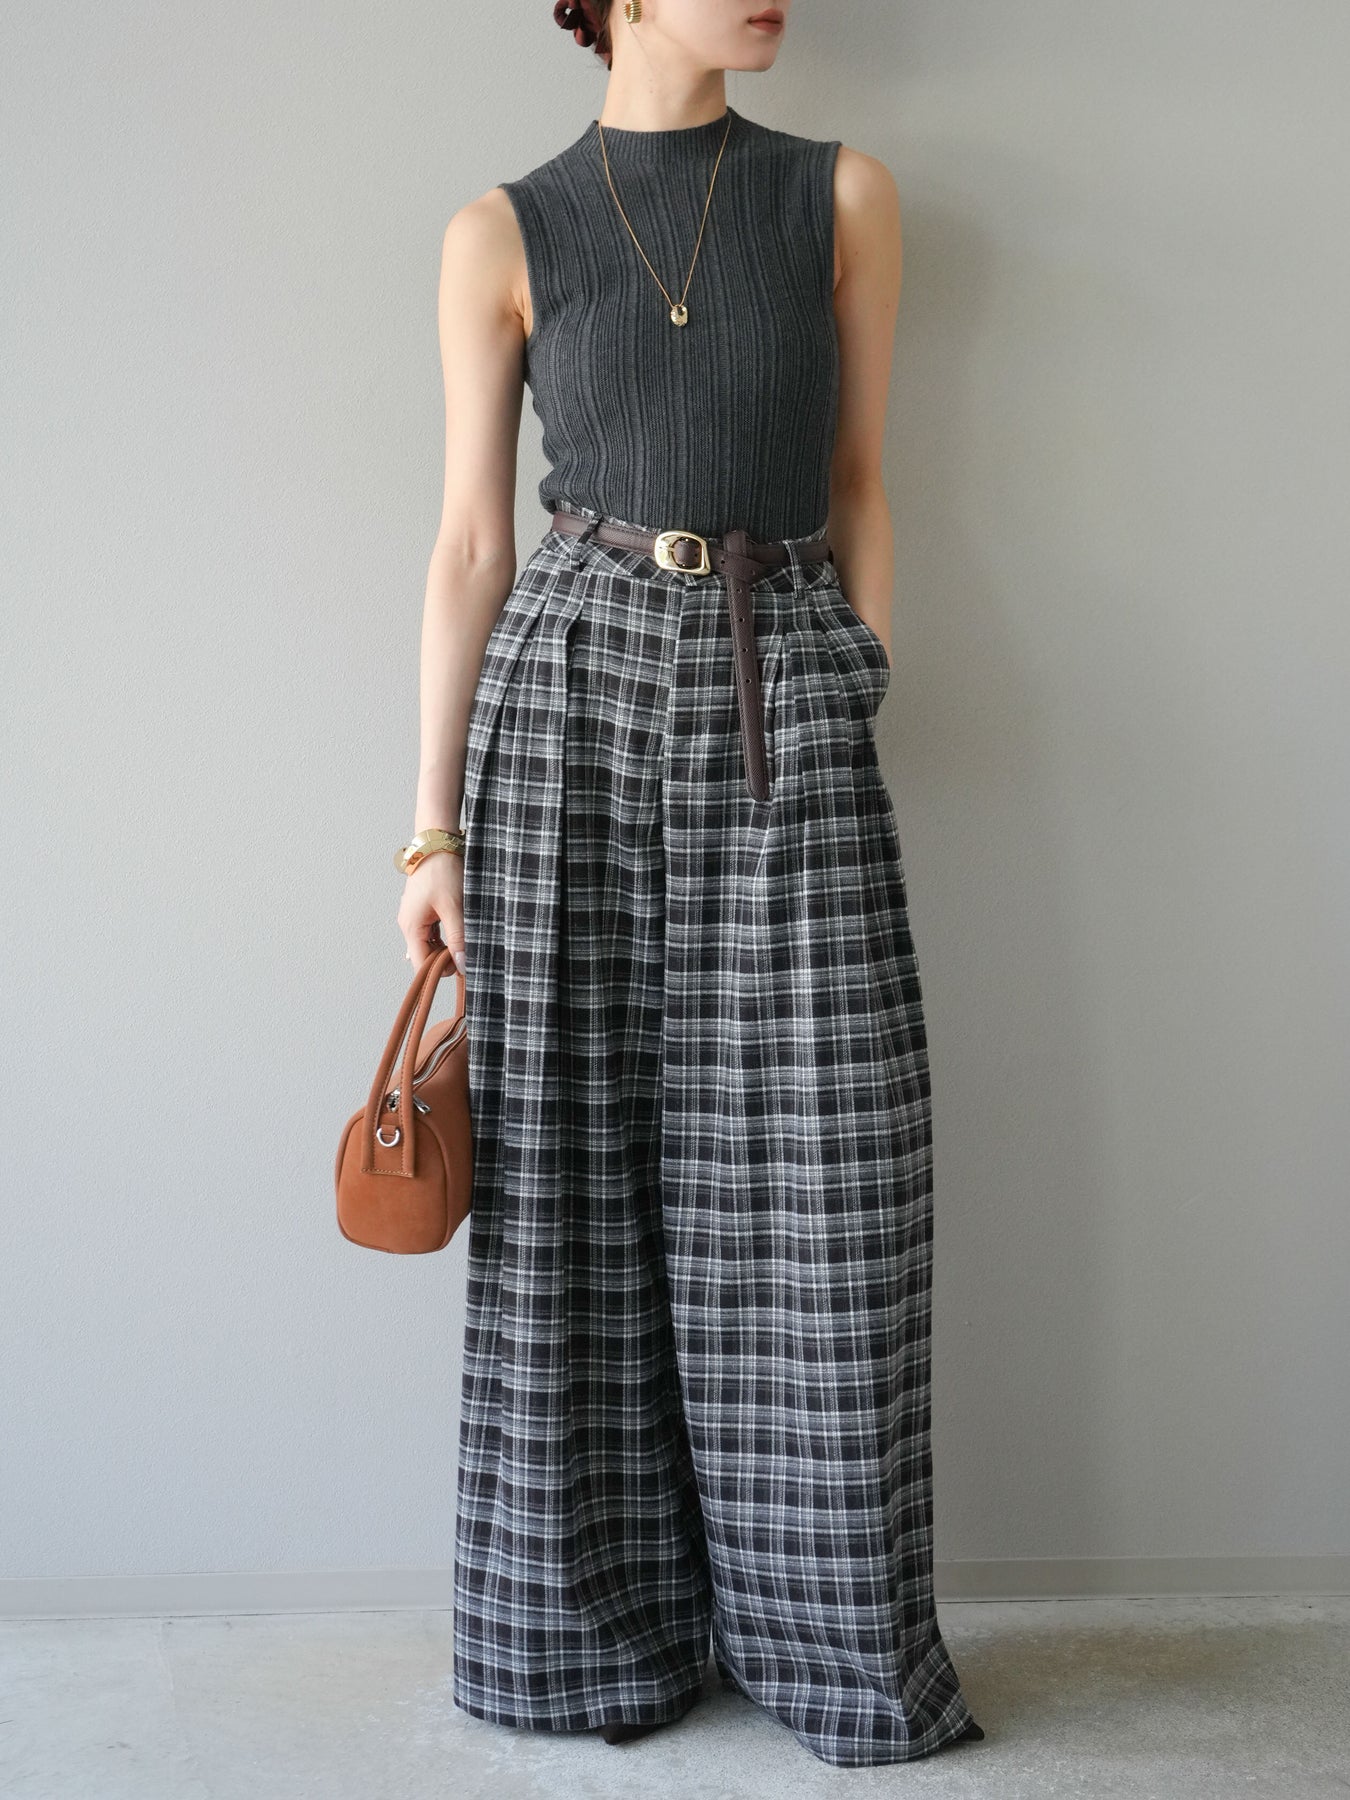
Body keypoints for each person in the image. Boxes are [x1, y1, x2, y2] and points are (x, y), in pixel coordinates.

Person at [392, 0, 985, 1769]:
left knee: (819, 1167)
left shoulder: (840, 195)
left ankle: (831, 1650)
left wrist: (852, 675)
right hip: (564, 689)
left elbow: (861, 481)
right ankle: (588, 1641)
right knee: (567, 1166)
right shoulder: (502, 229)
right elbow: (471, 541)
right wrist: (429, 832)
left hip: (775, 670)